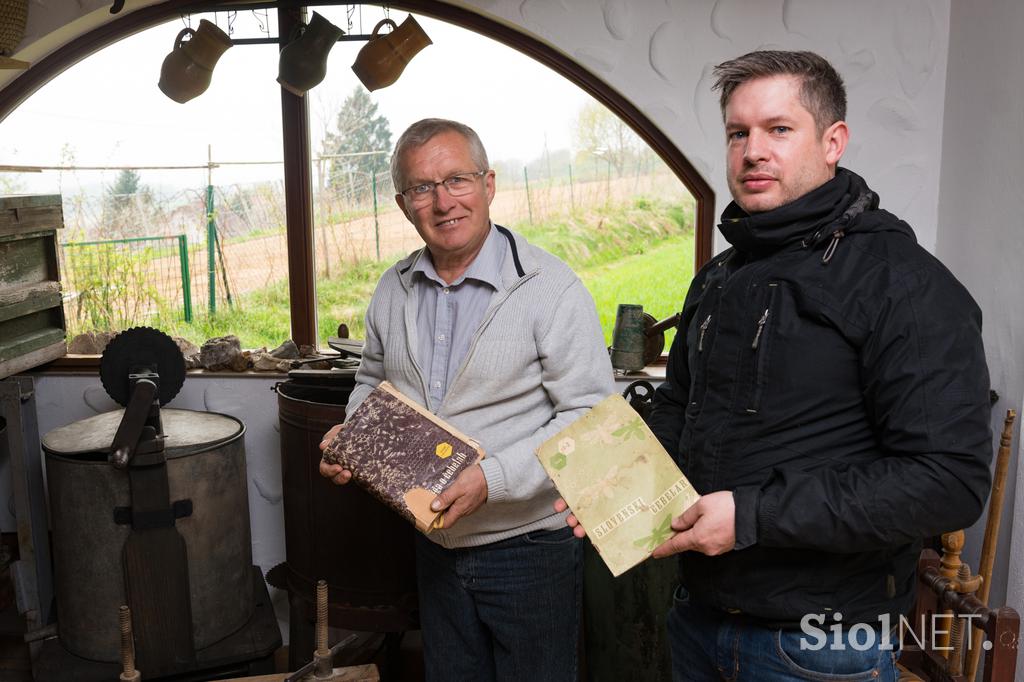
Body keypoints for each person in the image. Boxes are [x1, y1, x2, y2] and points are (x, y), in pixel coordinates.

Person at [560, 50, 992, 681]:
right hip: (699, 619)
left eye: (779, 129)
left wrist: (753, 516)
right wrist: (616, 486)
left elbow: (948, 481)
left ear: (833, 141)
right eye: (739, 133)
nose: (753, 151)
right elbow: (681, 408)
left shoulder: (904, 283)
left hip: (819, 647)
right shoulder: (718, 277)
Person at [319, 117, 613, 681]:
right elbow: (372, 382)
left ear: (488, 184)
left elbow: (591, 417)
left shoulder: (551, 289)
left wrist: (493, 479)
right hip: (434, 544)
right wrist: (352, 438)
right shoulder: (392, 286)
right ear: (404, 204)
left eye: (457, 179)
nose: (443, 201)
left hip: (530, 546)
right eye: (423, 188)